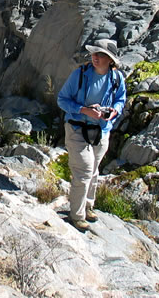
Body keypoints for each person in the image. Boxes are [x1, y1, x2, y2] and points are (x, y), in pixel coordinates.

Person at [57, 38, 126, 231]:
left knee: (94, 169)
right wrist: (83, 110)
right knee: (84, 170)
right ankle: (77, 216)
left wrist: (114, 111)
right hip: (77, 128)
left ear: (110, 60)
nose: (95, 57)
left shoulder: (116, 78)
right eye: (94, 53)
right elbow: (62, 100)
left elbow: (121, 99)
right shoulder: (79, 75)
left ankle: (88, 206)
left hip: (102, 130)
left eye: (100, 54)